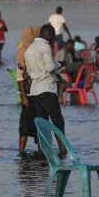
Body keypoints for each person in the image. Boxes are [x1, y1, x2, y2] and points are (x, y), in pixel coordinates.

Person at [24, 24, 67, 157]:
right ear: (48, 34)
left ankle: (43, 150)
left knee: (42, 123)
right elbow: (49, 67)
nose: (54, 38)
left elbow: (29, 72)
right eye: (53, 35)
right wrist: (60, 64)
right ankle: (63, 150)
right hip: (47, 89)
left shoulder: (29, 49)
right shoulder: (45, 47)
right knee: (58, 121)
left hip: (35, 91)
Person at [16, 26, 41, 155]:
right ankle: (21, 152)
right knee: (25, 126)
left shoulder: (38, 50)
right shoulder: (23, 52)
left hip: (39, 92)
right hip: (29, 93)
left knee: (40, 125)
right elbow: (20, 77)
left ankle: (41, 150)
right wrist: (23, 97)